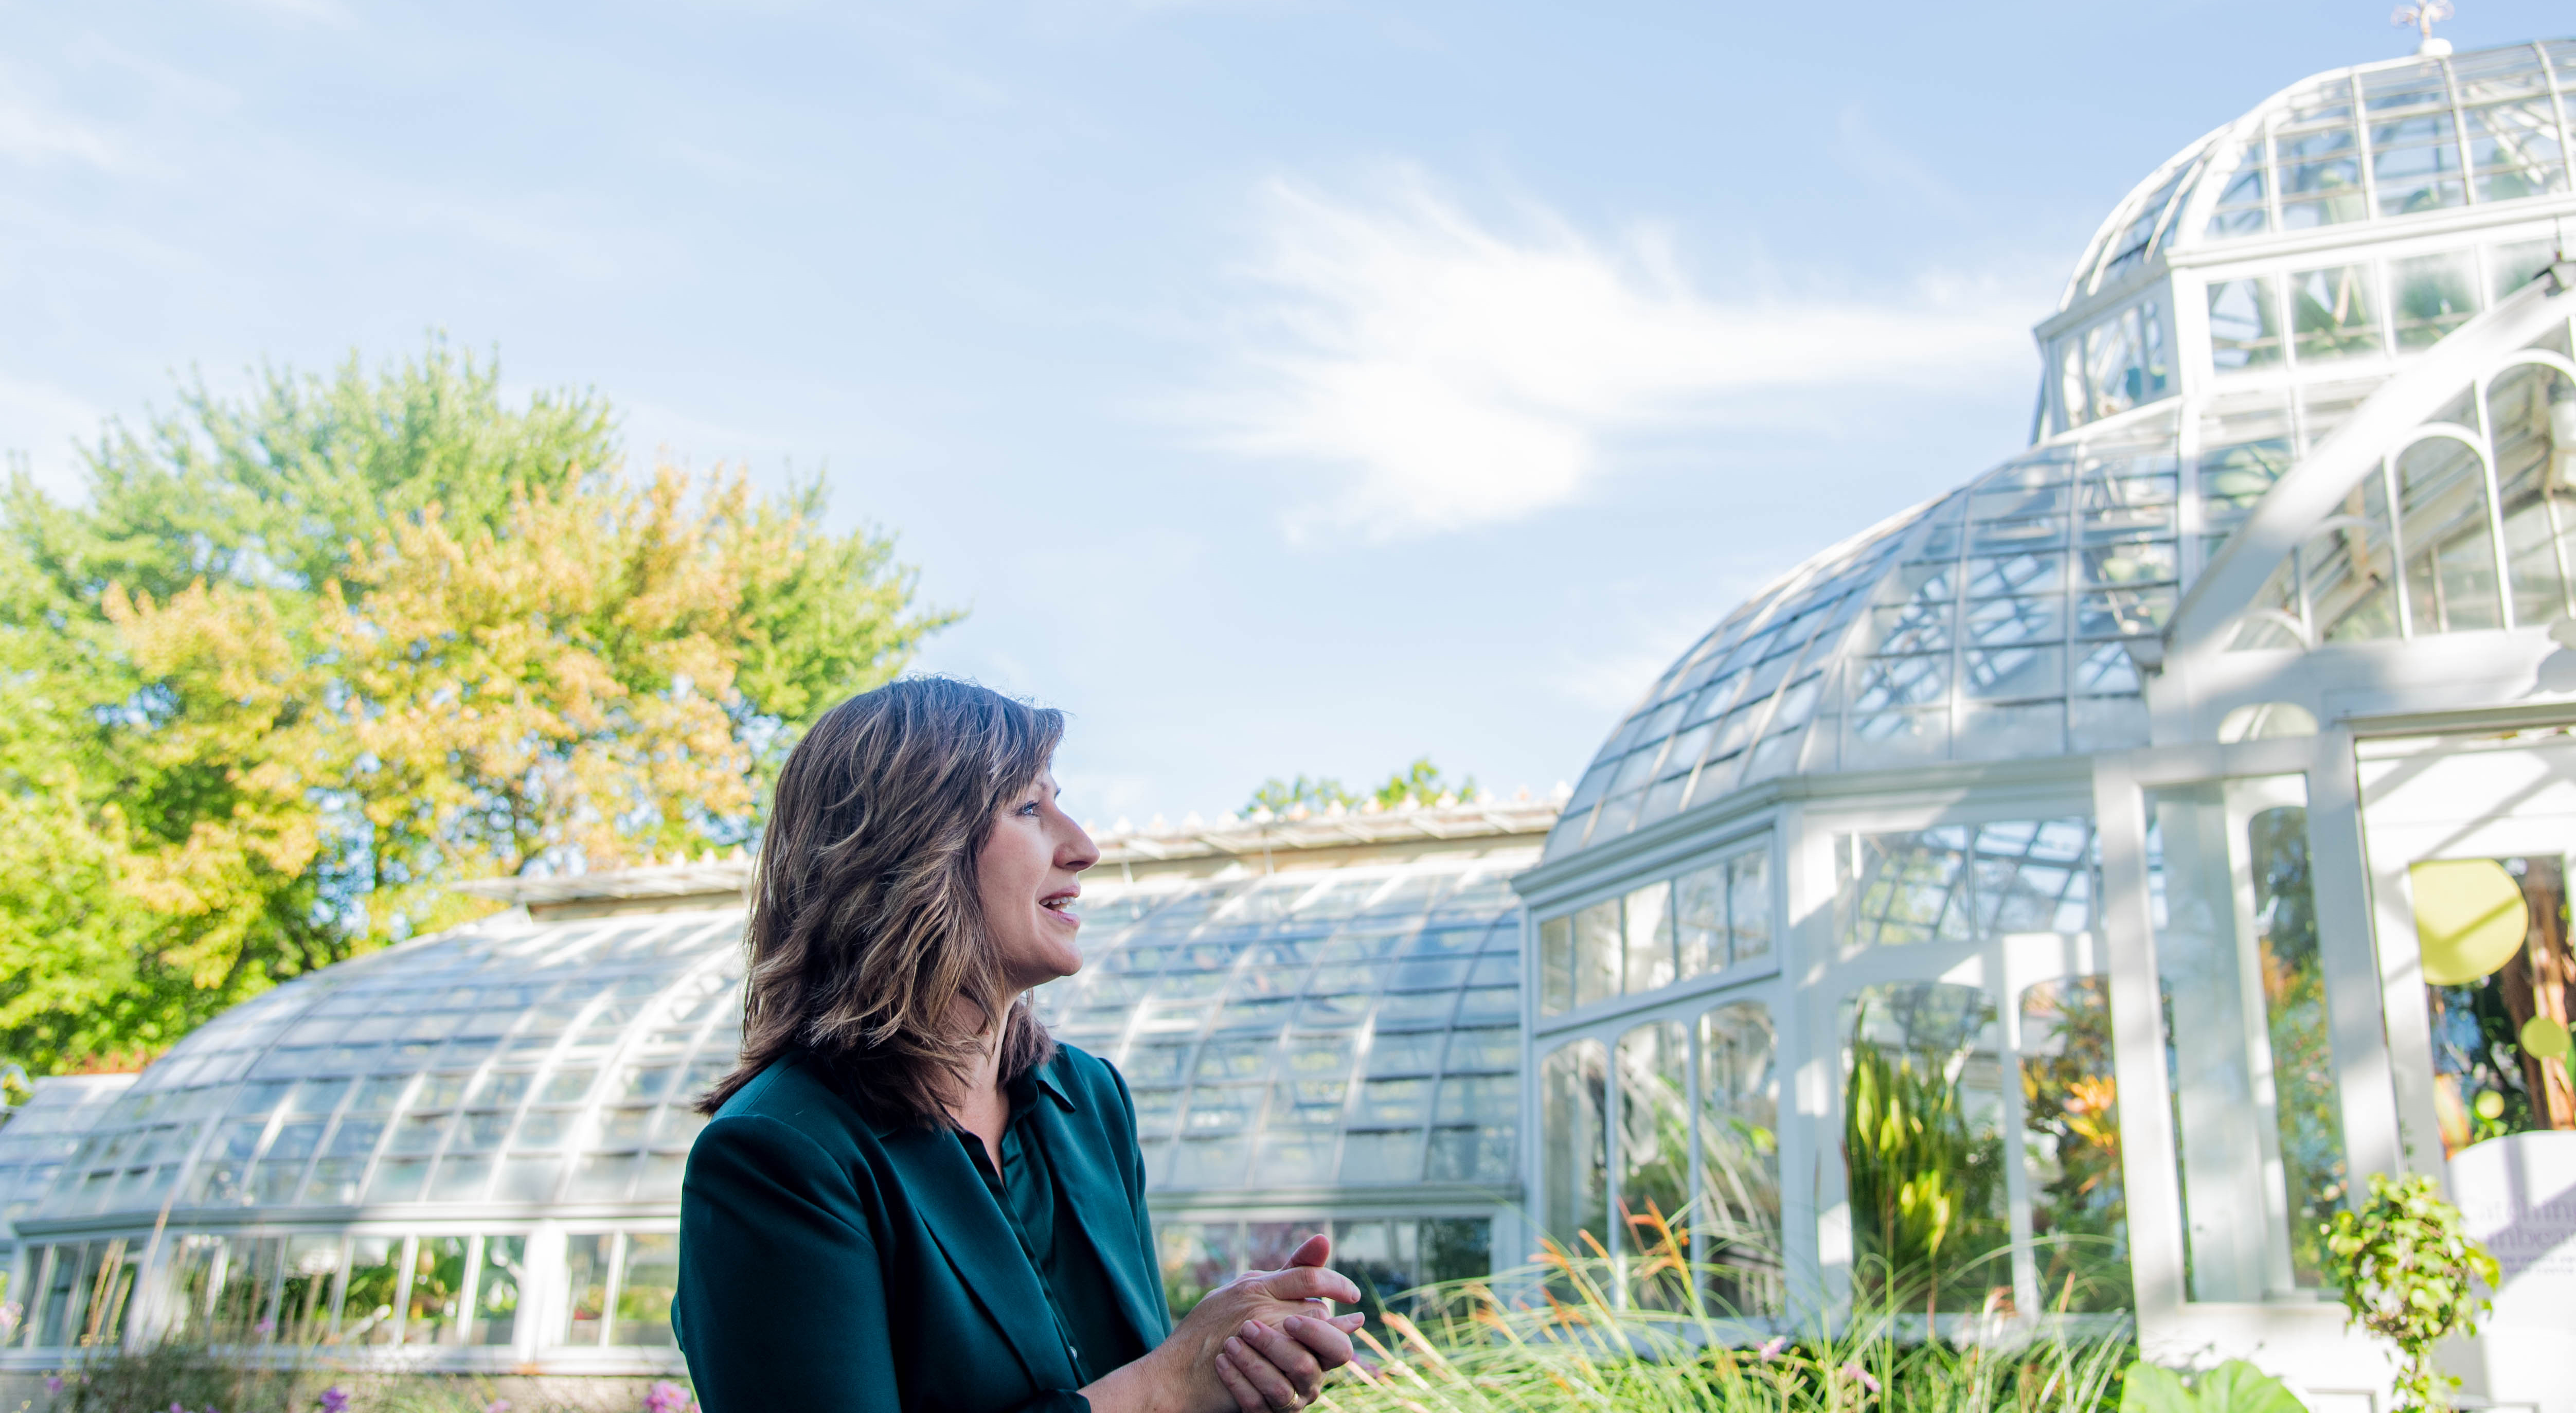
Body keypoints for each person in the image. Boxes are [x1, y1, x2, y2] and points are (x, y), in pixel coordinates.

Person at [676, 678, 1368, 1413]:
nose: (1085, 849)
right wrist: (1168, 1382)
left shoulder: (1090, 1100)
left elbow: (1133, 1374)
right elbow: (1150, 1388)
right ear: (915, 848)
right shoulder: (776, 1154)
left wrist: (1230, 1360)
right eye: (1030, 808)